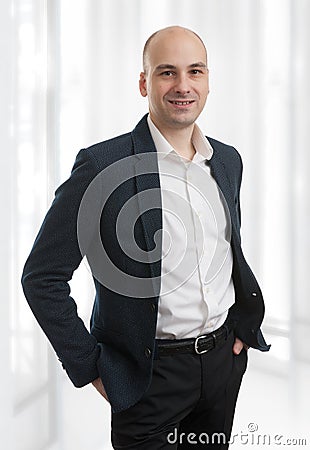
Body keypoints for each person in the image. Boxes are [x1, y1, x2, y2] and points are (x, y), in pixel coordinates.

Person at [22, 26, 270, 449]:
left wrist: (242, 330)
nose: (183, 86)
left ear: (208, 81)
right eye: (166, 72)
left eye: (195, 71)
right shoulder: (103, 165)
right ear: (144, 82)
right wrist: (91, 367)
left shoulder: (227, 160)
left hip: (223, 365)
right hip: (148, 380)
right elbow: (42, 277)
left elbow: (228, 252)